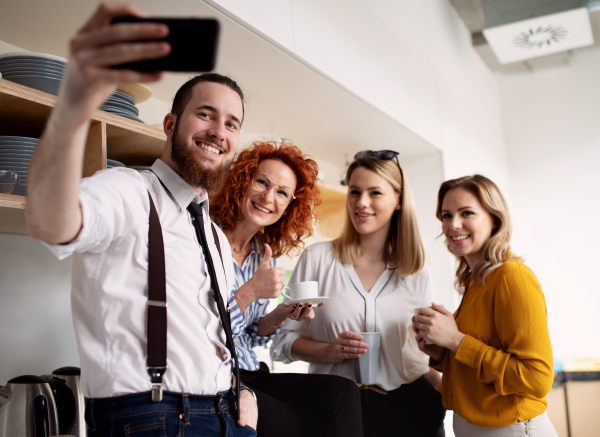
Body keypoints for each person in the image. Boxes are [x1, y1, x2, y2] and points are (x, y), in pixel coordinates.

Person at [25, 3, 257, 436]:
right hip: (151, 419)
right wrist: (74, 104)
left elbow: (212, 334)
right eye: (205, 114)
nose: (218, 131)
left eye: (231, 123)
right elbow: (53, 224)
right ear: (170, 123)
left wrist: (242, 389)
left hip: (228, 417)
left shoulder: (214, 235)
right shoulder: (127, 190)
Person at [270, 150, 446, 437]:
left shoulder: (416, 270)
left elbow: (420, 351)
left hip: (411, 410)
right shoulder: (317, 259)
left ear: (399, 200)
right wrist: (329, 351)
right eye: (355, 191)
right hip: (337, 412)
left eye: (375, 192)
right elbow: (282, 343)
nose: (361, 203)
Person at [210, 140, 364, 437]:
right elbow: (193, 321)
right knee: (294, 423)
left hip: (250, 370)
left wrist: (281, 313)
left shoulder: (262, 254)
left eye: (282, 192)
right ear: (242, 181)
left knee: (341, 393)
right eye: (261, 182)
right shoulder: (204, 235)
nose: (269, 197)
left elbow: (252, 334)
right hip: (215, 374)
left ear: (290, 206)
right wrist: (251, 291)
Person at [413, 175, 558, 437]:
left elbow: (536, 379)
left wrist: (456, 340)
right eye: (446, 215)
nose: (453, 225)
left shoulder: (512, 276)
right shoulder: (476, 280)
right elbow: (482, 369)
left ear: (494, 219)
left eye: (466, 213)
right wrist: (442, 352)